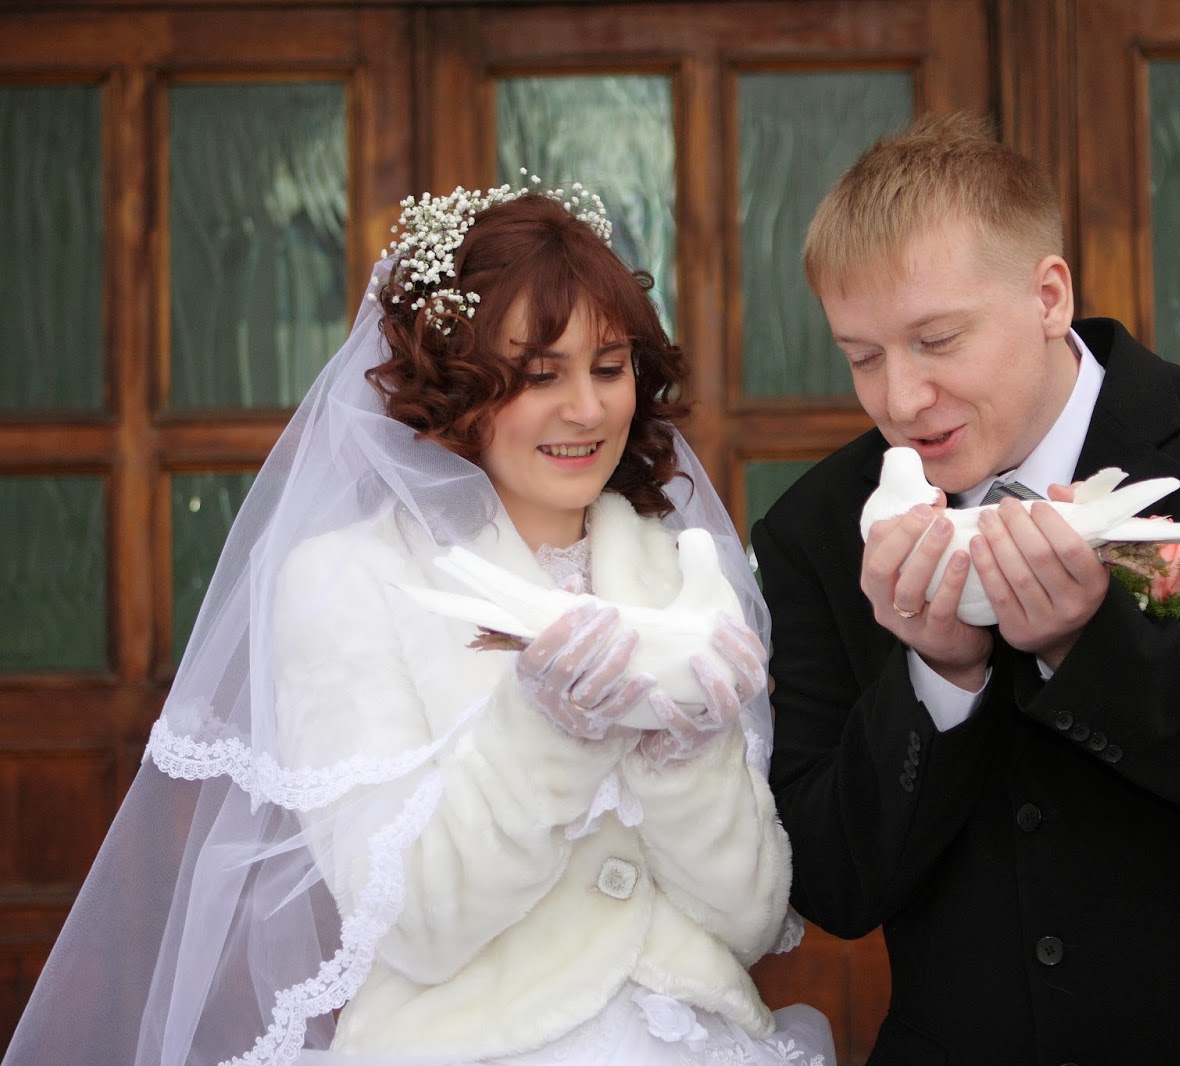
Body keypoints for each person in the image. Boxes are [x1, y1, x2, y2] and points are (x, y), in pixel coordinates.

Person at [4, 183, 833, 1066]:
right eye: (539, 374)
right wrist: (548, 736)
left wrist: (686, 761)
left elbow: (750, 921)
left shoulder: (681, 570)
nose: (588, 410)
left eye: (608, 366)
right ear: (458, 383)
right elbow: (410, 925)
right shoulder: (345, 581)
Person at [749, 111, 1180, 1065]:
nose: (899, 399)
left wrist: (1092, 650)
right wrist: (937, 678)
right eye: (862, 356)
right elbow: (833, 888)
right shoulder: (816, 528)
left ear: (1048, 296)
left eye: (937, 340)